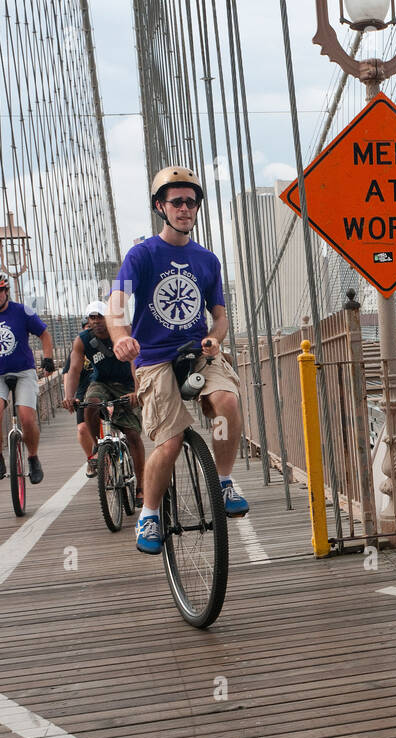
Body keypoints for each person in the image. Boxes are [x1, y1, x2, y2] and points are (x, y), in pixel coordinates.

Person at [106, 166, 248, 555]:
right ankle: (149, 514)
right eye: (177, 201)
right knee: (168, 444)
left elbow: (219, 316)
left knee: (227, 404)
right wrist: (121, 339)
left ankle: (222, 481)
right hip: (154, 359)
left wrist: (214, 339)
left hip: (197, 352)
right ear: (160, 207)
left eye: (192, 201)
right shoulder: (142, 255)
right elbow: (116, 303)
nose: (186, 208)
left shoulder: (207, 261)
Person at [0, 271, 54, 483]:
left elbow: (44, 334)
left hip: (24, 372)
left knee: (26, 417)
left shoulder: (23, 311)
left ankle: (33, 458)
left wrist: (48, 358)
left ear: (7, 291)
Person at [63, 302, 146, 503]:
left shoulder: (123, 332)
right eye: (92, 318)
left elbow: (136, 362)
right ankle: (98, 446)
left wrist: (137, 391)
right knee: (90, 404)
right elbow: (73, 369)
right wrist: (69, 396)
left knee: (133, 435)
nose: (96, 321)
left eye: (100, 316)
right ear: (88, 321)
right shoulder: (82, 340)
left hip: (127, 384)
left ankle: (141, 486)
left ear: (109, 318)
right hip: (101, 383)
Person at [64, 315, 96, 475]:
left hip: (107, 390)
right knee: (83, 429)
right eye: (87, 329)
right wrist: (68, 396)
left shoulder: (109, 344)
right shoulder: (78, 349)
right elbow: (68, 373)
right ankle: (91, 458)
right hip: (84, 395)